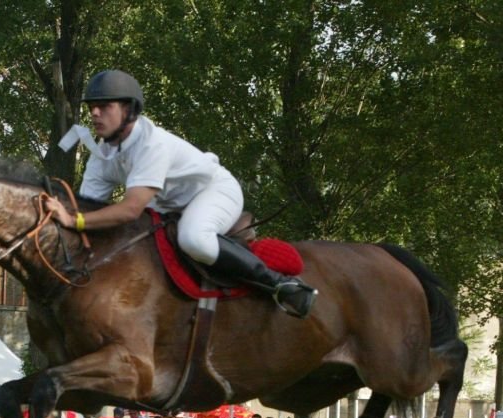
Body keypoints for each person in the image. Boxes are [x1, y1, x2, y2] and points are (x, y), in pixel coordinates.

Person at [43, 69, 317, 318]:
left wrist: (74, 220)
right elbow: (89, 207)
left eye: (104, 107)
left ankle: (280, 285)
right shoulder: (101, 155)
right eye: (92, 107)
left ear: (128, 110)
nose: (94, 113)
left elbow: (129, 209)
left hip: (214, 191)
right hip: (169, 205)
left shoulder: (152, 144)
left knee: (193, 239)